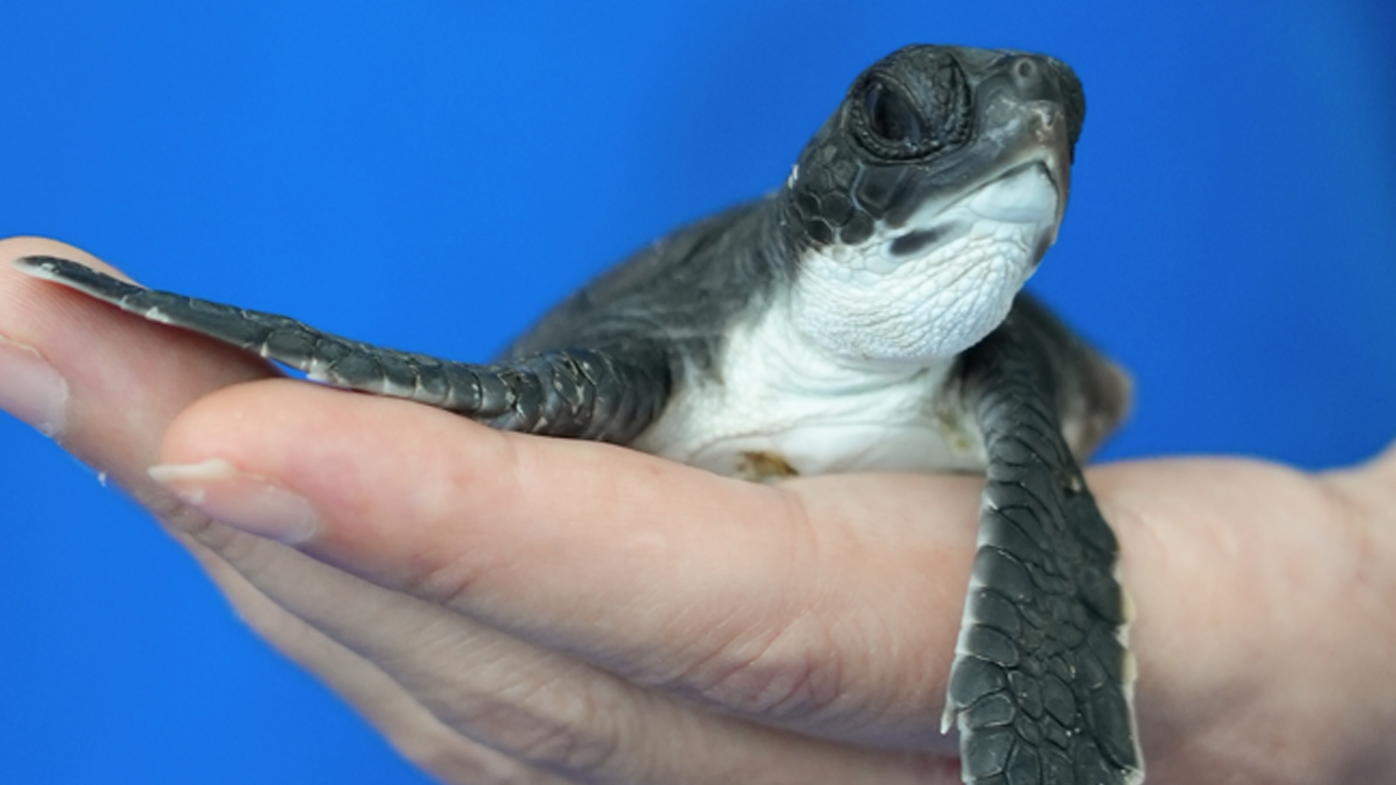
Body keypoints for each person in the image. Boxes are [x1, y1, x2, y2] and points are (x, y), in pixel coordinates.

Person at [2, 235, 1393, 785]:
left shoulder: (1006, 375)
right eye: (907, 125)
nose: (1025, 138)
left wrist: (1366, 582)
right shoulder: (666, 354)